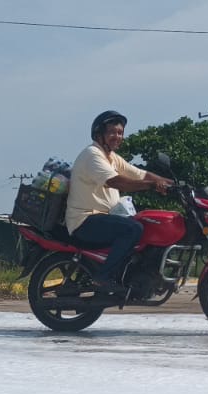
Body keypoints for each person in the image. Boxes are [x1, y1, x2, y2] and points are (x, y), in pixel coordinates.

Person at [65, 110, 172, 295]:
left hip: (103, 218)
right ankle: (103, 277)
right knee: (133, 228)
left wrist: (172, 184)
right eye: (112, 132)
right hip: (85, 220)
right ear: (100, 135)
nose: (117, 136)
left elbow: (139, 173)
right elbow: (115, 181)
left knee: (145, 224)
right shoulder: (93, 155)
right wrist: (153, 185)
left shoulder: (112, 157)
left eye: (120, 133)